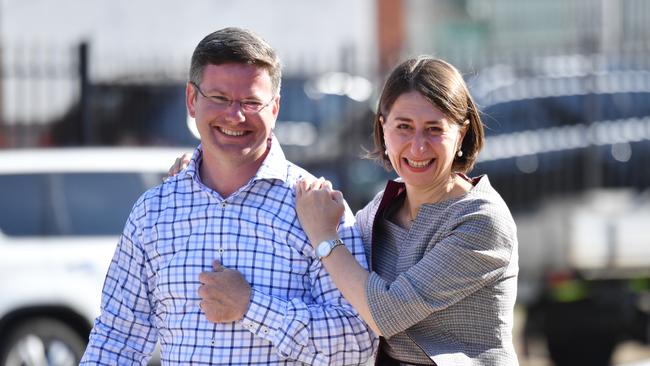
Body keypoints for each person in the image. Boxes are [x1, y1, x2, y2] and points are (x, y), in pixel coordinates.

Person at [80, 27, 375, 365]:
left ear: (275, 108)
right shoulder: (155, 211)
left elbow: (358, 340)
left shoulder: (317, 209)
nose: (235, 116)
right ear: (192, 100)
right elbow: (118, 339)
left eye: (251, 102)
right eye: (219, 98)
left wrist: (252, 307)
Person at [295, 56, 519, 365]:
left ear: (462, 134)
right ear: (383, 128)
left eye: (433, 129)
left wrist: (324, 236)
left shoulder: (480, 219)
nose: (418, 147)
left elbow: (384, 314)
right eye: (404, 127)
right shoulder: (379, 209)